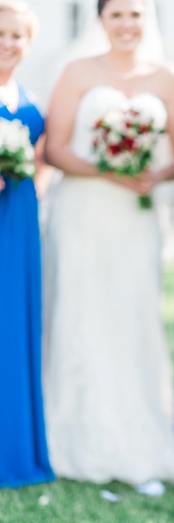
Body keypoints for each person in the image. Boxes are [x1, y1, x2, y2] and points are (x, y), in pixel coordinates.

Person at [42, 0, 174, 486]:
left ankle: (139, 437)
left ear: (149, 21)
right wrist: (111, 170)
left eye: (136, 14)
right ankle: (71, 441)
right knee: (81, 312)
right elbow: (56, 148)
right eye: (117, 14)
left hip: (137, 214)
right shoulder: (77, 71)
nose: (127, 24)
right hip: (83, 210)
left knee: (133, 313)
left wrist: (154, 174)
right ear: (101, 20)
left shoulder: (169, 77)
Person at [0, 0, 53, 488]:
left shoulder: (28, 96)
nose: (8, 41)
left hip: (19, 225)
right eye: (1, 32)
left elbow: (43, 161)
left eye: (17, 34)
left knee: (13, 326)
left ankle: (16, 445)